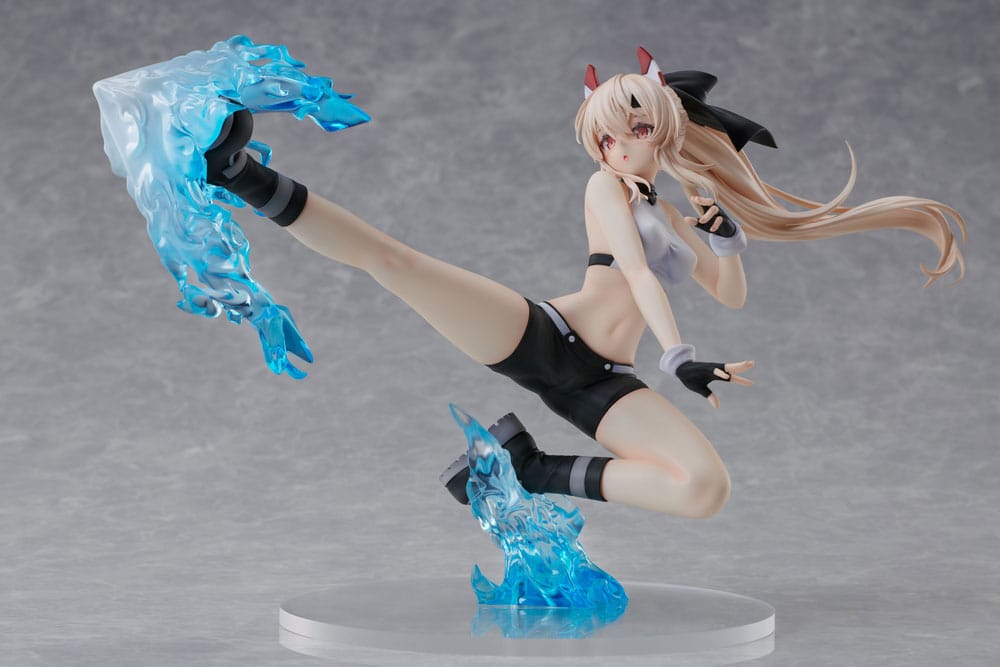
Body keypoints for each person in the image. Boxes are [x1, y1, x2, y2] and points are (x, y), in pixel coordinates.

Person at [203, 47, 965, 518]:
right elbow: (634, 272)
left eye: (638, 130)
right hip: (545, 334)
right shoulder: (607, 188)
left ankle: (532, 469)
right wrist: (678, 355)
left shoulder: (669, 212)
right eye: (610, 134)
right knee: (396, 263)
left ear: (663, 131)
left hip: (601, 381)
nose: (622, 145)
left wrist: (725, 238)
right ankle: (240, 174)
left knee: (704, 487)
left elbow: (729, 293)